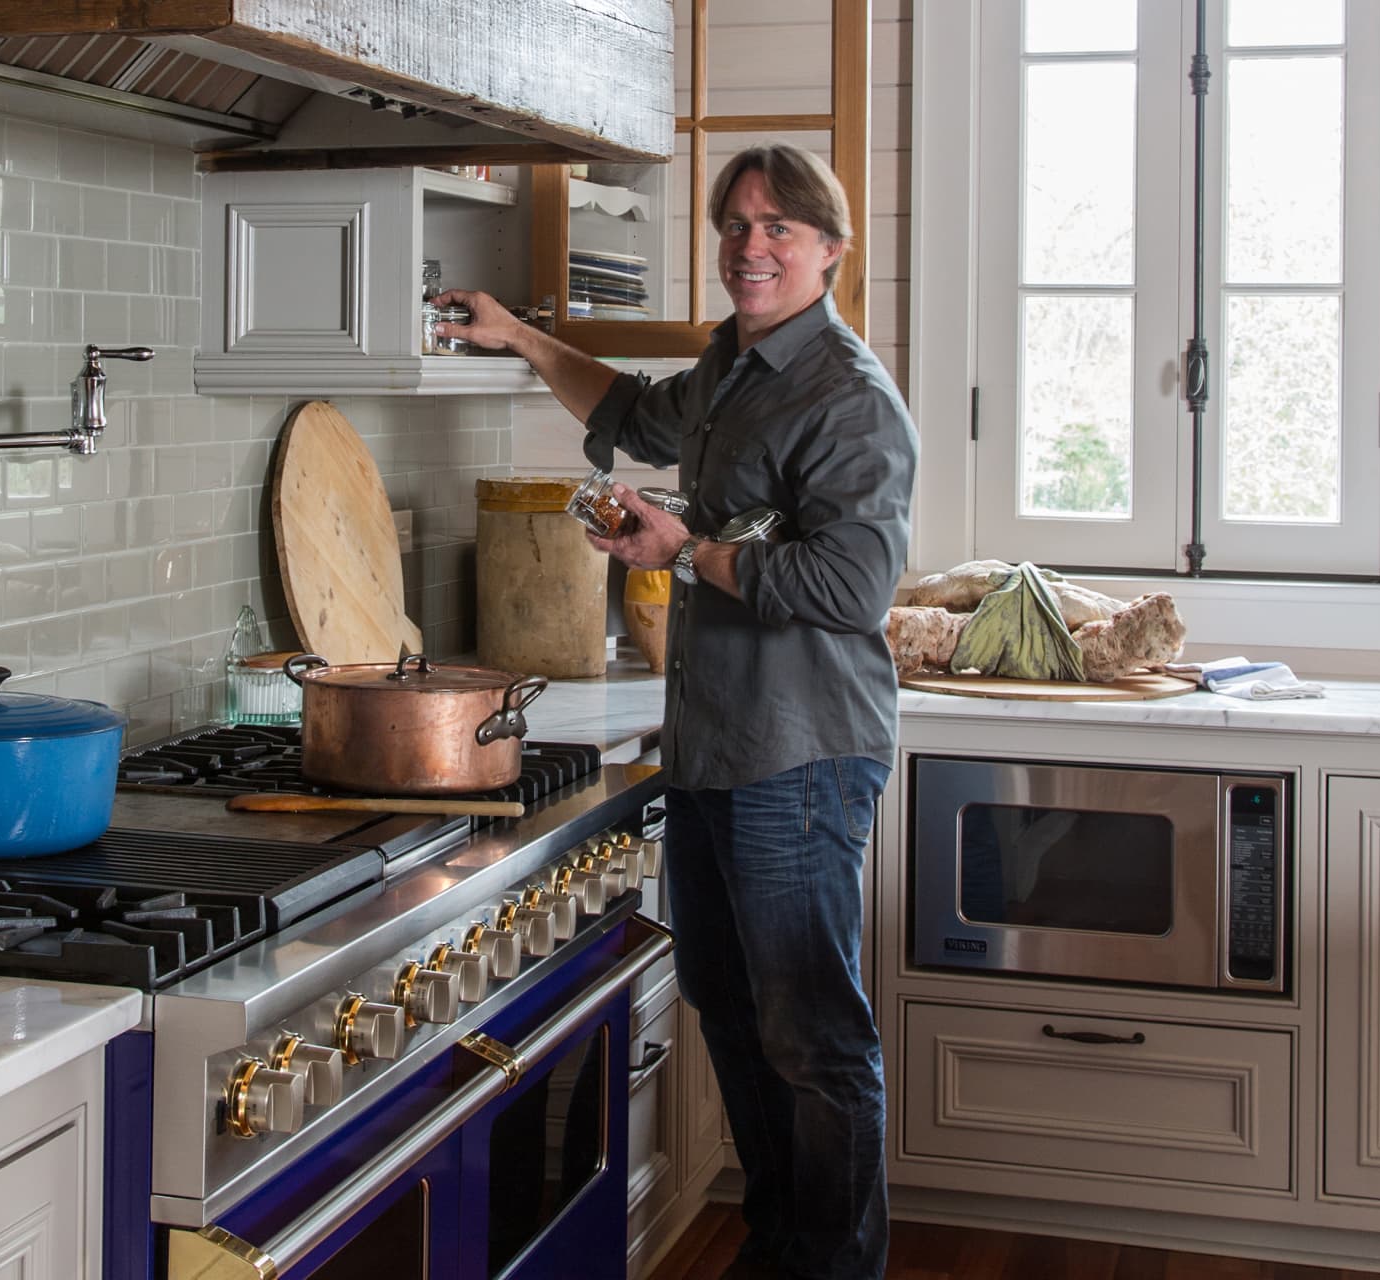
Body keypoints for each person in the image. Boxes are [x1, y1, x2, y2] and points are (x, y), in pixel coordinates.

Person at [435, 144, 917, 1279]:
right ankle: (784, 1248)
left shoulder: (847, 397)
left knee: (812, 1033)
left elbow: (852, 590)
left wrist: (686, 553)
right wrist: (519, 334)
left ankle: (832, 1266)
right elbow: (639, 415)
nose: (752, 245)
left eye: (780, 227)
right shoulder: (735, 365)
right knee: (735, 1011)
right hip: (714, 748)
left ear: (831, 251)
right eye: (737, 224)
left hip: (798, 757)